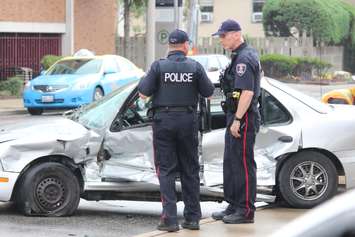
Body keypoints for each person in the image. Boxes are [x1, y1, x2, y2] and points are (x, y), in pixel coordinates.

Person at [138, 29, 214, 232]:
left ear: (169, 46)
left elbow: (143, 93)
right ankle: (192, 218)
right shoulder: (195, 67)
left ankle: (170, 219)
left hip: (164, 122)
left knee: (166, 171)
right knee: (190, 170)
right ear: (185, 45)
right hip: (188, 122)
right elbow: (209, 92)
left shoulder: (158, 66)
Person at [211, 19, 261, 224]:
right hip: (235, 114)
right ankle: (234, 204)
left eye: (223, 36)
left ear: (235, 34)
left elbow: (247, 92)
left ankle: (246, 209)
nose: (221, 40)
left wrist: (237, 120)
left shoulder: (244, 58)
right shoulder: (239, 56)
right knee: (231, 162)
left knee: (242, 163)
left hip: (244, 117)